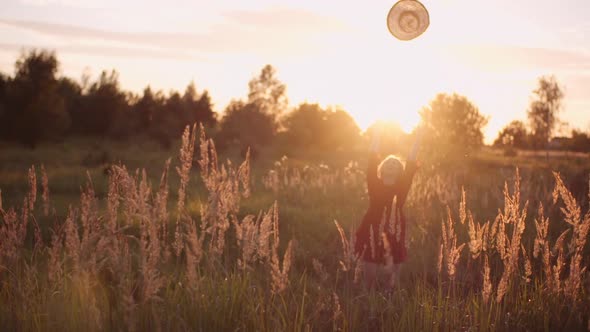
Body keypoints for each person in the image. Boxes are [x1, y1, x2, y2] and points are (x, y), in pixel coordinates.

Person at [354, 126, 421, 289]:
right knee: (369, 272)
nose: (391, 164)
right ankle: (368, 297)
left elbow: (411, 164)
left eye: (395, 163)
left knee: (391, 277)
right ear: (382, 168)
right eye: (388, 162)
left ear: (399, 170)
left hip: (395, 228)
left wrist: (417, 140)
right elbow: (372, 159)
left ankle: (389, 298)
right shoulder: (374, 183)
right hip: (372, 226)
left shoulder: (401, 187)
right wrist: (376, 135)